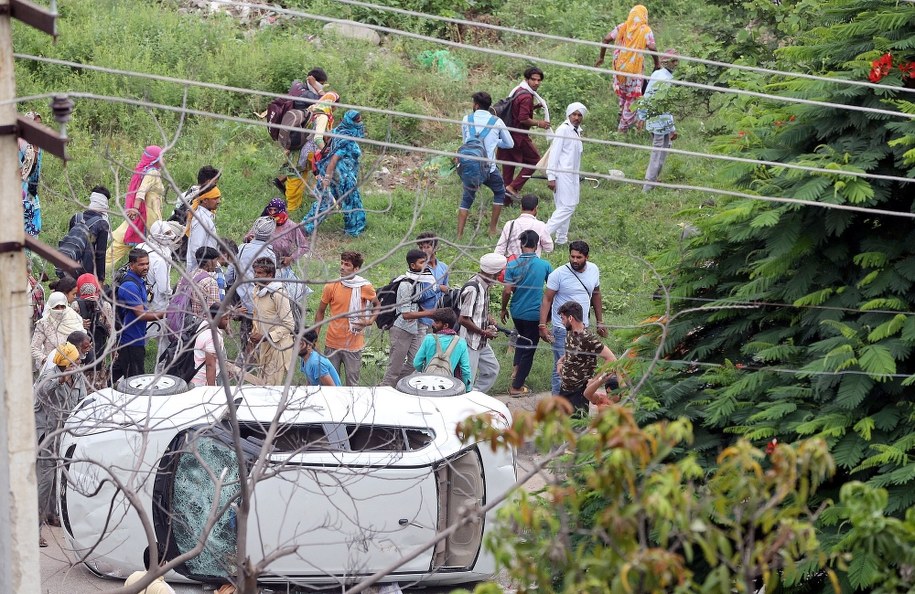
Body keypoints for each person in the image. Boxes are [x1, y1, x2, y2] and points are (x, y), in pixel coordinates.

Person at [34, 342, 88, 546]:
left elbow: (82, 402)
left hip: (66, 434)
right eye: (74, 361)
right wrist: (60, 380)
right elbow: (42, 394)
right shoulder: (49, 376)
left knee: (59, 476)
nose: (78, 364)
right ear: (65, 363)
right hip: (46, 435)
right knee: (46, 481)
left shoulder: (79, 377)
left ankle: (52, 514)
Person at [539, 241, 607, 396]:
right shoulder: (559, 274)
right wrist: (542, 325)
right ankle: (558, 404)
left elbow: (596, 294)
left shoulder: (594, 270)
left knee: (583, 366)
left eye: (579, 257)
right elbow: (547, 299)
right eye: (572, 256)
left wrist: (600, 321)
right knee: (562, 366)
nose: (575, 260)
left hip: (583, 329)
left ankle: (579, 402)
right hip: (562, 329)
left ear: (587, 257)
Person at [313, 251, 379, 386]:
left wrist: (369, 321)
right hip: (332, 342)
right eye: (342, 263)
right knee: (330, 383)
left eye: (347, 265)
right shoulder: (331, 286)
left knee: (352, 385)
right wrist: (315, 337)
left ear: (356, 269)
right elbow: (320, 312)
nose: (342, 267)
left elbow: (377, 305)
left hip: (353, 343)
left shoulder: (364, 287)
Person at [501, 230, 552, 396]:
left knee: (521, 340)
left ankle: (516, 371)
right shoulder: (544, 265)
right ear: (537, 244)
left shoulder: (512, 265)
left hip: (516, 311)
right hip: (534, 313)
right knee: (529, 348)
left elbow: (507, 291)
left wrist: (503, 308)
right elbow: (553, 290)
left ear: (521, 244)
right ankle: (517, 386)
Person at [457, 91, 514, 239]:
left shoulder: (466, 119)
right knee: (500, 192)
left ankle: (459, 235)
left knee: (466, 199)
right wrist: (495, 142)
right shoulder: (496, 122)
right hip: (489, 169)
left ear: (476, 105)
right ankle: (493, 229)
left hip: (470, 168)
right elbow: (510, 144)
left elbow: (466, 143)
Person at [595, 4, 661, 133]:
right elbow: (652, 47)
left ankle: (622, 113)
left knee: (623, 93)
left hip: (619, 69)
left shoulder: (623, 26)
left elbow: (606, 39)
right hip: (634, 71)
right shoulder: (645, 30)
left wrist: (601, 58)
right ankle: (622, 129)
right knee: (632, 99)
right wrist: (657, 63)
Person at [304, 110, 367, 237]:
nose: (360, 123)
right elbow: (334, 159)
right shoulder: (346, 139)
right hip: (343, 176)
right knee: (351, 201)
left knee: (324, 201)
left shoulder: (337, 131)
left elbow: (327, 147)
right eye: (358, 121)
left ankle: (306, 227)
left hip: (337, 173)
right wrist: (327, 178)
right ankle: (353, 230)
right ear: (351, 122)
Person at [380, 249, 435, 387]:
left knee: (415, 362)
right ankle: (385, 389)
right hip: (401, 329)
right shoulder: (405, 284)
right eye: (422, 262)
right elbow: (406, 314)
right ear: (413, 265)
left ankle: (396, 385)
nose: (425, 265)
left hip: (413, 327)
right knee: (395, 366)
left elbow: (416, 303)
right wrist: (430, 313)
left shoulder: (420, 281)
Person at [496, 67, 551, 203]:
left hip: (506, 134)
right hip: (518, 136)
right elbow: (522, 118)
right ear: (527, 79)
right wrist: (540, 123)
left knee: (508, 167)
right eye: (533, 79)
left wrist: (534, 107)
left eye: (539, 80)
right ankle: (513, 187)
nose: (536, 83)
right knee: (534, 161)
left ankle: (505, 201)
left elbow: (516, 109)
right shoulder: (527, 96)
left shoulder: (518, 90)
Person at [279, 91, 341, 212]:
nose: (336, 108)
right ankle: (294, 209)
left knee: (295, 177)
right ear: (331, 104)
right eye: (336, 105)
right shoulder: (322, 116)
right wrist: (326, 153)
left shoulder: (312, 109)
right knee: (319, 177)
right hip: (310, 153)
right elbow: (318, 138)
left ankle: (293, 206)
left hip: (297, 150)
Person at [107, 146, 165, 272]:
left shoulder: (144, 170)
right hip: (148, 215)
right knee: (143, 243)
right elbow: (141, 191)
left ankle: (101, 266)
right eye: (162, 157)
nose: (164, 159)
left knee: (122, 242)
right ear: (155, 159)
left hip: (146, 213)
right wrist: (135, 209)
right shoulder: (152, 172)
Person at [112, 248, 165, 383]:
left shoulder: (139, 280)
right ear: (131, 265)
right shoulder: (130, 286)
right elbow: (141, 315)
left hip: (135, 337)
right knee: (136, 381)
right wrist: (167, 313)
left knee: (116, 372)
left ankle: (100, 386)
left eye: (147, 263)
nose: (145, 267)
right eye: (141, 264)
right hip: (130, 339)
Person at [555, 301, 617, 415]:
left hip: (578, 393)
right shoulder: (570, 332)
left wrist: (596, 380)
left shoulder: (588, 338)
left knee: (575, 429)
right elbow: (573, 351)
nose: (561, 321)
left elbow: (611, 358)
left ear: (570, 318)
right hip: (565, 388)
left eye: (563, 318)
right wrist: (560, 362)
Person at [458, 253, 507, 392]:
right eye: (499, 273)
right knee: (468, 379)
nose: (500, 276)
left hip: (481, 341)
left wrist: (488, 318)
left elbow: (476, 309)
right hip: (470, 341)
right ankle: (465, 403)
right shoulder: (473, 288)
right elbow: (463, 319)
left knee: (491, 370)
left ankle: (475, 396)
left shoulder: (485, 285)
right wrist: (483, 332)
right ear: (493, 273)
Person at [229, 217, 278, 353]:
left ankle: (244, 366)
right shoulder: (270, 255)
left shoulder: (242, 248)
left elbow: (230, 275)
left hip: (244, 304)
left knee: (246, 344)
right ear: (271, 233)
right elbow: (273, 283)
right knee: (261, 346)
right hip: (262, 306)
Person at [249, 198, 309, 308]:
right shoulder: (264, 222)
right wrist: (249, 239)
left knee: (285, 298)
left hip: (281, 268)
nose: (272, 213)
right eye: (270, 210)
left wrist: (291, 258)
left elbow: (304, 246)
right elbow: (248, 237)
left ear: (282, 211)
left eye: (275, 210)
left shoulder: (291, 226)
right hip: (262, 268)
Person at [545, 103, 589, 246]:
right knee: (567, 207)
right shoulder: (563, 130)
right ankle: (543, 233)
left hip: (572, 176)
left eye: (579, 115)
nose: (576, 118)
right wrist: (551, 176)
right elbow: (554, 154)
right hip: (562, 175)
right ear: (568, 115)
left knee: (565, 207)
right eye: (574, 114)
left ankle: (561, 239)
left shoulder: (576, 131)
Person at [250, 257, 296, 385]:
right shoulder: (257, 290)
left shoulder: (278, 293)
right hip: (263, 346)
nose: (255, 276)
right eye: (255, 272)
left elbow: (289, 324)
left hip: (278, 347)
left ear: (270, 275)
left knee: (272, 388)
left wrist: (266, 336)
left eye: (259, 273)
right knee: (262, 384)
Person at [641, 50, 680, 192]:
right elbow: (665, 106)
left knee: (664, 147)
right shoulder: (666, 79)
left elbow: (646, 96)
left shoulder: (657, 73)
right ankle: (648, 185)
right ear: (666, 62)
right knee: (658, 152)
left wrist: (642, 116)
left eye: (676, 60)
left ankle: (653, 180)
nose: (676, 64)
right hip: (660, 120)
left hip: (652, 118)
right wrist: (672, 128)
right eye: (673, 61)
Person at [57, 186, 111, 279]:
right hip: (86, 272)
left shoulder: (76, 217)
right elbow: (100, 255)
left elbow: (70, 241)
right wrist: (101, 279)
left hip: (69, 266)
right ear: (105, 203)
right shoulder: (102, 224)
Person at [414, 308, 472, 389]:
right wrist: (467, 388)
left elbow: (417, 363)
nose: (433, 324)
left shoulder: (429, 338)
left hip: (428, 383)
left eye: (436, 322)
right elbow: (465, 370)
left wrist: (424, 371)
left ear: (445, 325)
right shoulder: (461, 342)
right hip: (448, 385)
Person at [31, 291, 85, 373]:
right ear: (50, 307)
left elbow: (81, 344)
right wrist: (47, 361)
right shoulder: (44, 323)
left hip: (72, 368)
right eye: (56, 307)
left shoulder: (74, 319)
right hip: (51, 370)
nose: (59, 310)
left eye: (62, 306)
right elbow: (34, 348)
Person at [74, 275, 114, 385]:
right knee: (99, 383)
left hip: (79, 353)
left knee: (80, 384)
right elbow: (111, 331)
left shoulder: (75, 305)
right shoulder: (105, 305)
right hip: (99, 349)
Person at [495, 194, 554, 258]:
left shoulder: (510, 224)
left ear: (521, 207)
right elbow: (549, 248)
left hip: (513, 265)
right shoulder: (541, 225)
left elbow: (500, 248)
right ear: (536, 208)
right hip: (532, 265)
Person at [415, 232, 450, 338]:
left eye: (427, 247)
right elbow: (417, 295)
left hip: (438, 319)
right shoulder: (418, 269)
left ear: (435, 248)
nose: (423, 251)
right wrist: (439, 288)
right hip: (422, 318)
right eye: (421, 247)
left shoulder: (443, 267)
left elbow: (446, 291)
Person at [192, 304, 230, 387]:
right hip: (203, 382)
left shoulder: (204, 326)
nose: (227, 322)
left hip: (198, 378)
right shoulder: (212, 337)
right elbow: (210, 365)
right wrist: (211, 389)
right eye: (226, 319)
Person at [185, 184, 221, 271]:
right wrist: (206, 268)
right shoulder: (201, 220)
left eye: (219, 198)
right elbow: (197, 250)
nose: (219, 201)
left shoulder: (206, 216)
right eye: (215, 198)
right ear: (205, 200)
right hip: (201, 271)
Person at [18, 111, 43, 237]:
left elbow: (36, 173)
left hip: (31, 193)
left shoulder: (38, 146)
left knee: (33, 227)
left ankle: (29, 255)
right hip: (18, 192)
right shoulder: (19, 144)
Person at [188, 247, 222, 320]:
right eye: (216, 260)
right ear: (209, 262)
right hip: (201, 326)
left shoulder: (186, 277)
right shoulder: (210, 282)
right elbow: (214, 313)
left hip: (183, 323)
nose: (217, 264)